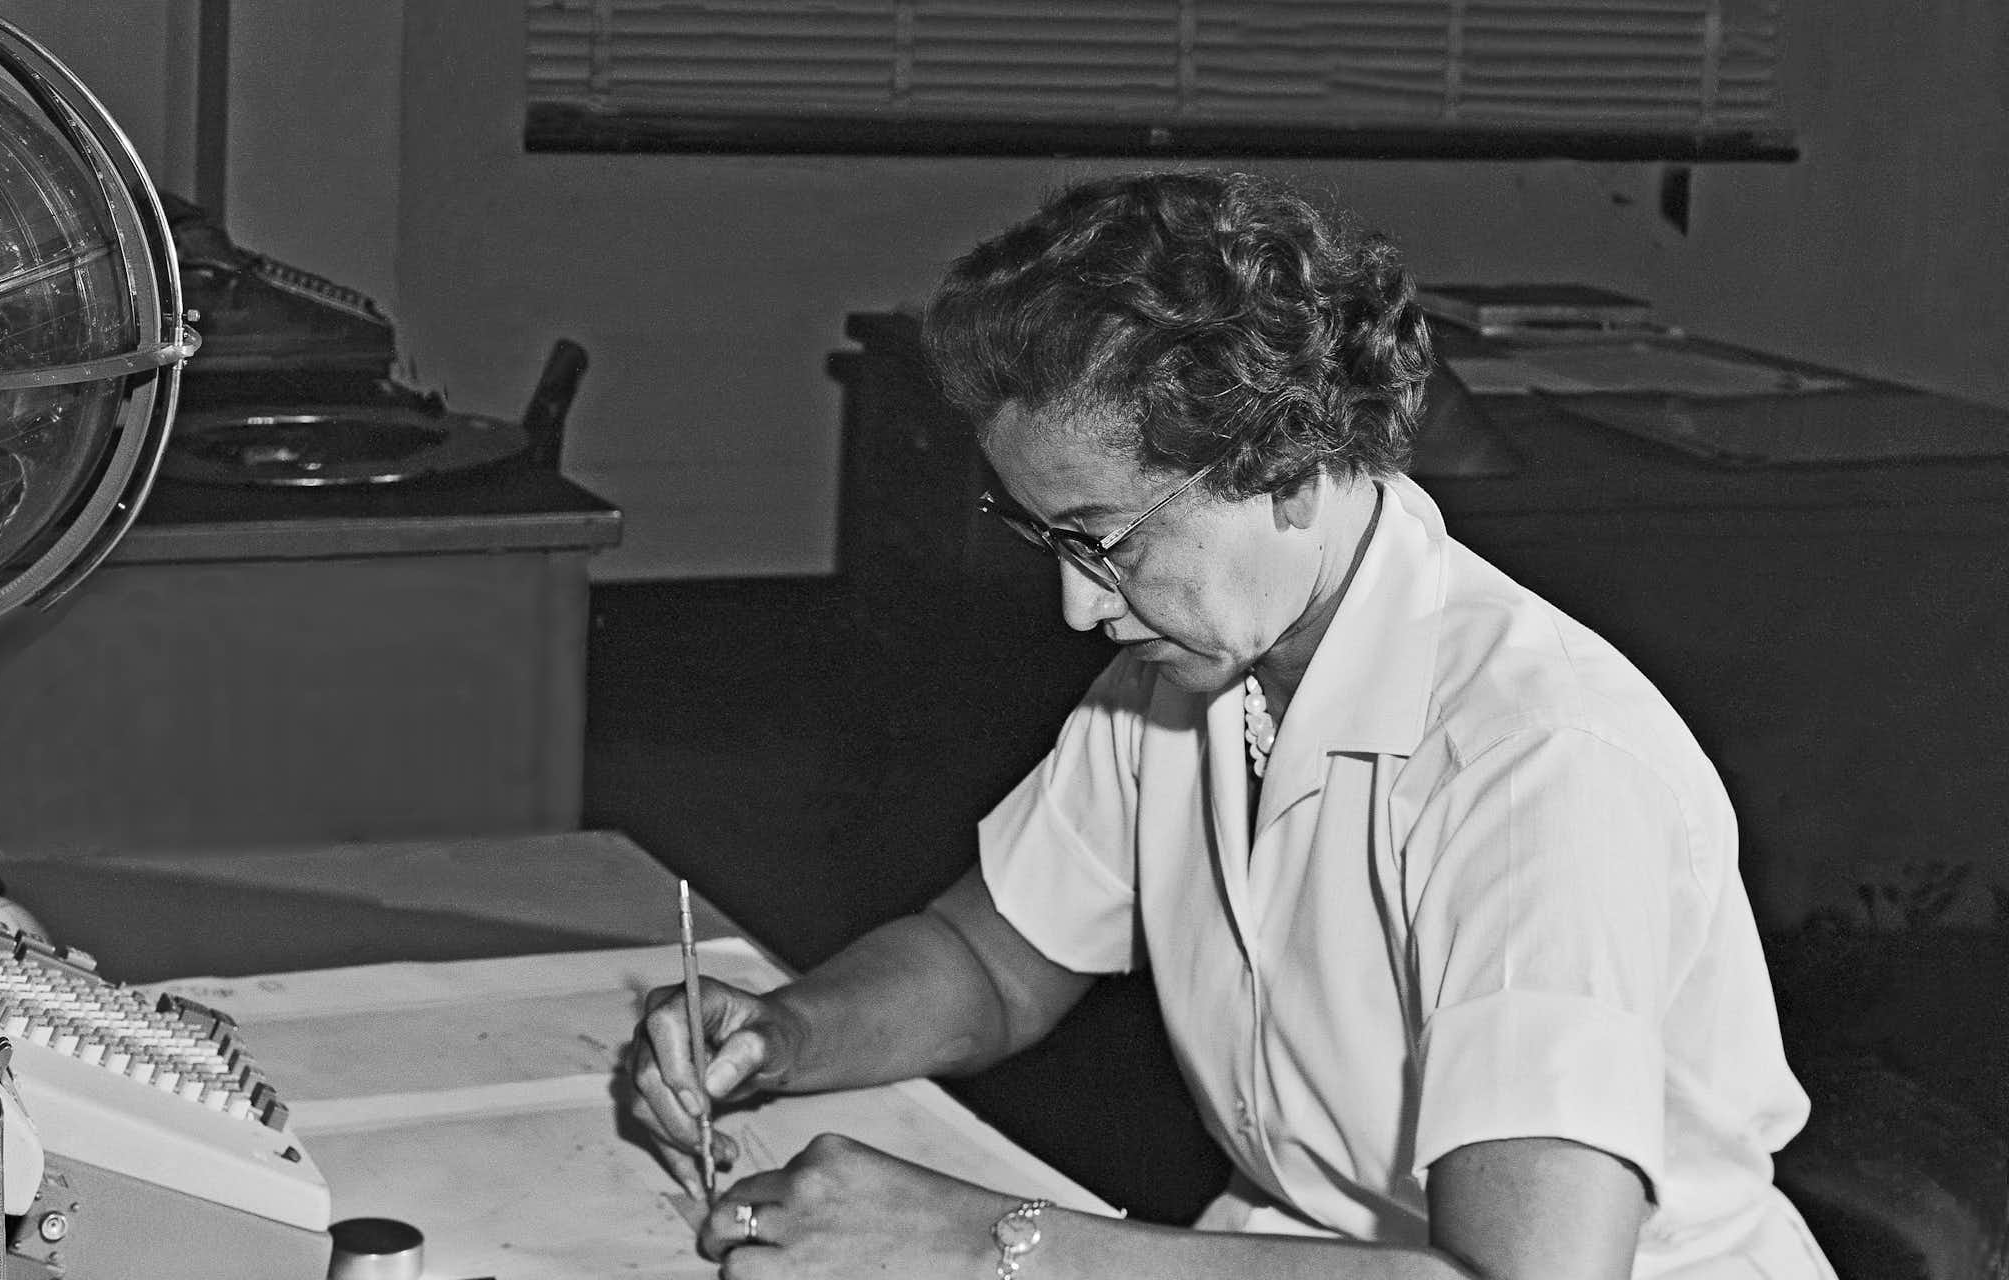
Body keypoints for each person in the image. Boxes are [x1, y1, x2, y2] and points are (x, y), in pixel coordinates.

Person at [626, 170, 1834, 1280]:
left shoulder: (1536, 768)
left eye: (1106, 541)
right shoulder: (1195, 669)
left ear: (1292, 472)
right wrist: (782, 1034)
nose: (1078, 604)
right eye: (1047, 538)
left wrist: (989, 1241)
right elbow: (993, 962)